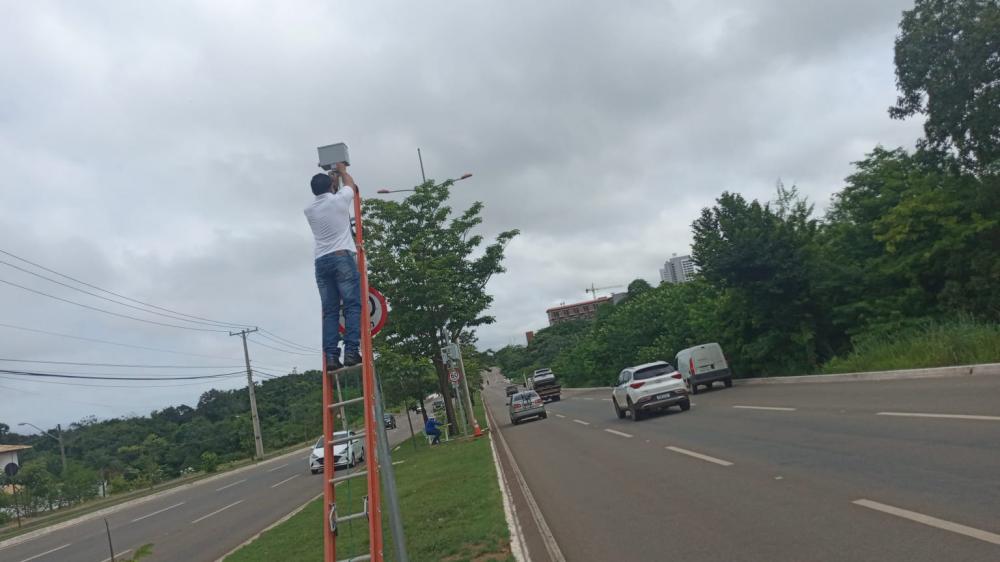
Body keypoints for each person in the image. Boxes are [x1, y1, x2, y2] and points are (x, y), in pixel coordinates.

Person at [304, 162, 362, 371]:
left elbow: (331, 194)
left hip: (321, 262)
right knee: (351, 306)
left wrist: (331, 180)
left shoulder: (309, 210)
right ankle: (351, 352)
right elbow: (351, 187)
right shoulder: (339, 202)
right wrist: (343, 172)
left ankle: (330, 357)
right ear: (330, 186)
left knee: (329, 312)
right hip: (341, 258)